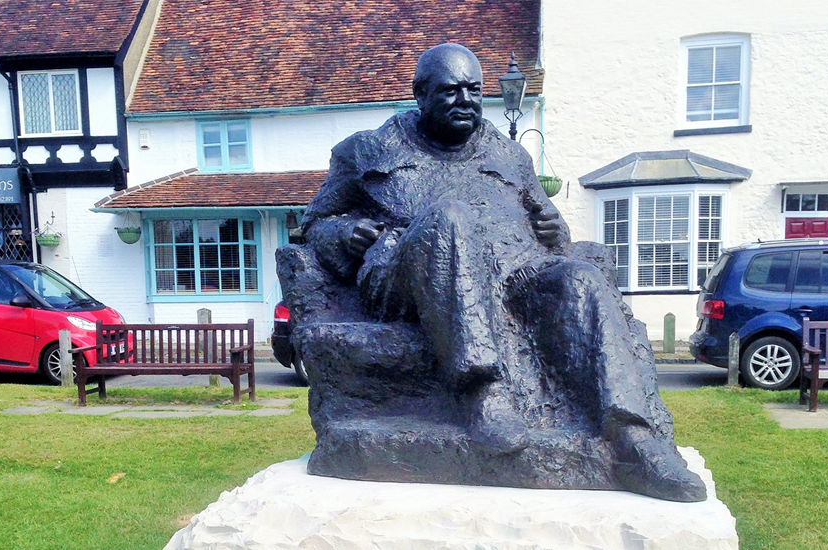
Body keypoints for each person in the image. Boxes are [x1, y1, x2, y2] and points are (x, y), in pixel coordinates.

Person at [301, 43, 706, 502]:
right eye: (451, 91)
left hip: (515, 270)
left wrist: (558, 230)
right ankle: (484, 394)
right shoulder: (368, 150)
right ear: (419, 94)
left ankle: (634, 439)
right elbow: (313, 223)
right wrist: (346, 231)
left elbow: (547, 219)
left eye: (474, 90)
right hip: (412, 273)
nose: (466, 101)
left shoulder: (509, 155)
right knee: (451, 217)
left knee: (581, 279)